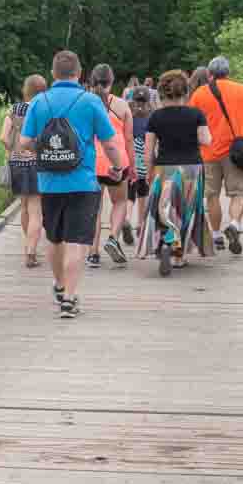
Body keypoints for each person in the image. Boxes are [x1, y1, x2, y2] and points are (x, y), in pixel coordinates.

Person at [19, 50, 126, 318]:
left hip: (48, 182)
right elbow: (110, 142)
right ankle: (69, 298)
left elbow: (24, 143)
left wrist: (42, 150)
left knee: (54, 238)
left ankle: (58, 284)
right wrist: (116, 167)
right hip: (83, 181)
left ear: (53, 74)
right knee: (77, 241)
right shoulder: (90, 101)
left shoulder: (39, 102)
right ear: (79, 73)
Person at [137, 70, 214, 276]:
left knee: (164, 209)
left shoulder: (155, 117)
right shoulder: (196, 114)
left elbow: (148, 150)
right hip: (191, 169)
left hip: (164, 169)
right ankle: (179, 256)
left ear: (162, 92)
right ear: (186, 91)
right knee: (185, 211)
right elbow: (206, 140)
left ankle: (165, 243)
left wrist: (147, 174)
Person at [189, 55, 243, 255]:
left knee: (211, 194)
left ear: (209, 74)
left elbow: (191, 123)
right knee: (238, 192)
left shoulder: (199, 94)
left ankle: (216, 235)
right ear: (228, 73)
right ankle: (235, 224)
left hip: (208, 151)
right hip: (236, 153)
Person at [87, 64, 134, 268]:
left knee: (94, 208)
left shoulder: (84, 104)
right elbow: (129, 138)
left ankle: (93, 253)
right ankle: (113, 238)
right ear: (112, 81)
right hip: (116, 162)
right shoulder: (122, 105)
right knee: (120, 202)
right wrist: (131, 165)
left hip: (91, 163)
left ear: (91, 81)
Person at [0, 74, 48, 267]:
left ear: (25, 90)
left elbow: (3, 136)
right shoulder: (44, 110)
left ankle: (27, 246)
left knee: (25, 208)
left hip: (16, 164)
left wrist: (12, 150)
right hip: (36, 164)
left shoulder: (14, 109)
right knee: (36, 211)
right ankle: (31, 252)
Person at [125, 87, 154, 244]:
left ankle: (127, 219)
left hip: (131, 160)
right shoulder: (151, 117)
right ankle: (141, 225)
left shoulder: (129, 116)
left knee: (129, 195)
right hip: (145, 158)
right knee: (143, 193)